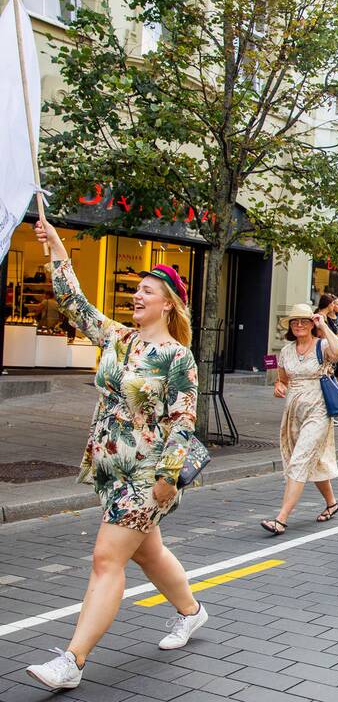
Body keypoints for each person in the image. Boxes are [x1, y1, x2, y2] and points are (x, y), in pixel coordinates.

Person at [26, 219, 206, 690]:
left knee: (107, 559)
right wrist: (58, 249)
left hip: (149, 475)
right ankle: (193, 612)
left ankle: (72, 661)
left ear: (169, 303)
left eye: (148, 291)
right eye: (136, 290)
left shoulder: (177, 357)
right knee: (149, 553)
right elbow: (74, 304)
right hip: (110, 467)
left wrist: (167, 478)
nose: (137, 296)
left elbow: (183, 421)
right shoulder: (117, 338)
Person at [261, 304, 338, 535]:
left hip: (318, 410)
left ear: (312, 323)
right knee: (313, 460)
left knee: (299, 461)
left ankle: (281, 518)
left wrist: (323, 325)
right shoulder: (287, 351)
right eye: (294, 321)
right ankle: (332, 503)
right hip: (293, 413)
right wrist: (278, 386)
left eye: (304, 321)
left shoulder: (322, 345)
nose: (299, 325)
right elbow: (282, 379)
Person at [316, 294, 338, 425]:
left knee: (331, 381)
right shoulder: (320, 317)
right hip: (323, 352)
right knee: (326, 382)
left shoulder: (328, 318)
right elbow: (323, 336)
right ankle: (330, 412)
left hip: (329, 352)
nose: (335, 306)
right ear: (329, 305)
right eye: (333, 304)